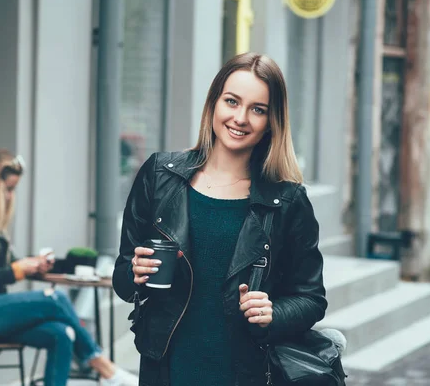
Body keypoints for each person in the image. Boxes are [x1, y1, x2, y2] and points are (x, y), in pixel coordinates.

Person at [112, 52, 328, 386]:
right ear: (214, 103)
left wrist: (274, 312)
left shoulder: (287, 201)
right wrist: (135, 272)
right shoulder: (159, 176)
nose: (240, 118)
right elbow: (123, 282)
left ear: (272, 121)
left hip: (245, 372)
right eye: (232, 101)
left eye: (258, 109)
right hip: (166, 369)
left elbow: (311, 299)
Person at [0, 148, 137, 386]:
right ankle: (106, 369)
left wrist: (37, 265)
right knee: (55, 299)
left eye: (13, 190)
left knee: (61, 334)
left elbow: (7, 267)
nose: (10, 197)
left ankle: (104, 369)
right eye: (7, 189)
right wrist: (17, 270)